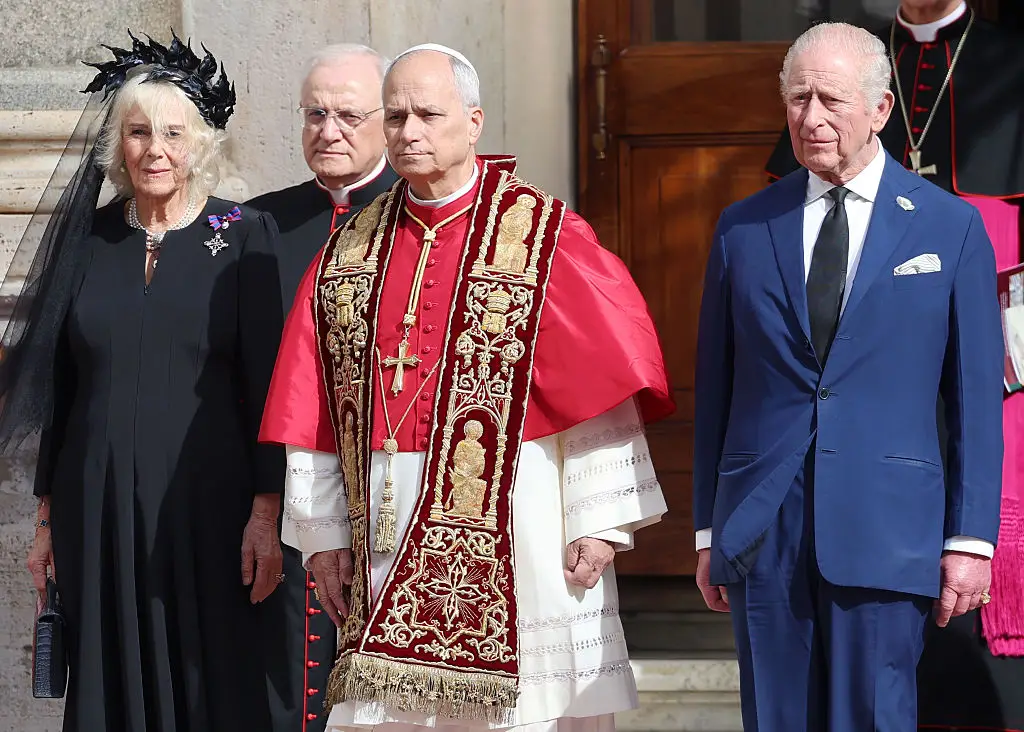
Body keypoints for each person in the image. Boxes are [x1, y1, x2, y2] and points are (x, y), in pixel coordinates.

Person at [258, 43, 675, 732]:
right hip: (385, 521)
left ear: (473, 120)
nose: (409, 131)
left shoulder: (543, 235)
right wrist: (324, 532)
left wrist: (600, 520)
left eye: (428, 113)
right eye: (395, 116)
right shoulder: (349, 250)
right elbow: (317, 406)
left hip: (525, 519)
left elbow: (600, 384)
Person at [694, 22, 1003, 732]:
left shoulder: (948, 228)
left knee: (875, 718)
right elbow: (717, 387)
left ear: (880, 111)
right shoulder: (743, 228)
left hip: (888, 529)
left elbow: (975, 399)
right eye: (797, 99)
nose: (811, 118)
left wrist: (969, 540)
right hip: (762, 529)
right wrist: (710, 529)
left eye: (830, 99)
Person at [5, 32, 284, 731]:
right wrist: (45, 520)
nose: (155, 149)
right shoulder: (92, 239)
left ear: (200, 144)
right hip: (94, 507)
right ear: (118, 147)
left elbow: (269, 388)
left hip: (208, 508)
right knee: (109, 679)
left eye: (172, 132)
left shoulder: (244, 234)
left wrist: (265, 512)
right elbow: (60, 389)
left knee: (211, 679)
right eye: (138, 132)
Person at [246, 43, 398, 732]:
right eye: (314, 113)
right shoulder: (255, 225)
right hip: (283, 497)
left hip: (388, 498)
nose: (327, 130)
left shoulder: (417, 216)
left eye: (347, 115)